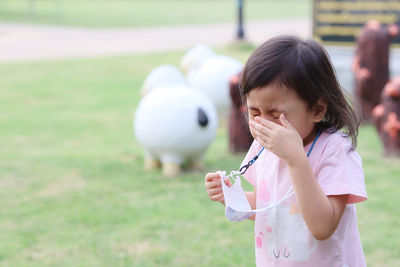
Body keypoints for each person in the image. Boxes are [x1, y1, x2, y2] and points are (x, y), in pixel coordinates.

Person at [205, 35, 367, 266]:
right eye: (254, 112)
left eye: (275, 114)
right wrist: (232, 197)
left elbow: (323, 227)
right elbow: (272, 208)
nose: (264, 123)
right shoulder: (263, 147)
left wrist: (296, 160)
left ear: (317, 110)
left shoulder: (335, 150)